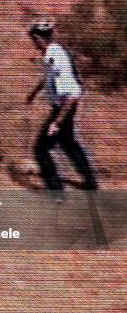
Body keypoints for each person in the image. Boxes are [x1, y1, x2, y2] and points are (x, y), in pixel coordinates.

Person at [26, 21, 98, 201]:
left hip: (64, 107)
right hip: (63, 106)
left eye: (34, 40)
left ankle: (56, 191)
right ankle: (90, 182)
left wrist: (56, 122)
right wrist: (35, 92)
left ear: (39, 38)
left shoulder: (55, 57)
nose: (33, 44)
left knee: (41, 149)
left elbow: (72, 95)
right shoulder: (54, 52)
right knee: (69, 144)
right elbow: (50, 77)